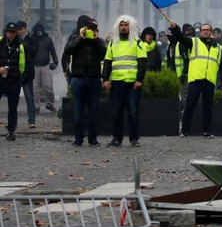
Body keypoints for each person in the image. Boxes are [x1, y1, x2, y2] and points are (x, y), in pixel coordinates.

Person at [102, 15, 147, 147]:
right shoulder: (112, 43)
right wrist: (105, 79)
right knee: (116, 112)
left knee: (133, 112)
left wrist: (140, 79)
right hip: (116, 82)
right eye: (121, 25)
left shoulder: (137, 43)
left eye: (126, 25)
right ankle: (117, 138)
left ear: (130, 27)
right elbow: (108, 62)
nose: (123, 27)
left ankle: (134, 138)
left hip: (132, 83)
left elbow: (142, 63)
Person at [173, 22, 222, 138]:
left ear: (211, 32)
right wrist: (175, 29)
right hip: (196, 79)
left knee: (208, 107)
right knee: (190, 105)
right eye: (203, 30)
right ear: (200, 32)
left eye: (207, 30)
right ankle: (184, 130)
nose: (205, 31)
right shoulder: (194, 42)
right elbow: (181, 38)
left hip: (209, 80)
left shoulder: (218, 47)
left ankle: (207, 131)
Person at [64, 18, 107, 146]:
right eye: (89, 28)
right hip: (78, 79)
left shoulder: (98, 42)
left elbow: (104, 54)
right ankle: (78, 138)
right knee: (78, 110)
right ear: (84, 28)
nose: (90, 31)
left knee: (93, 110)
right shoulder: (76, 39)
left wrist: (96, 40)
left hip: (94, 79)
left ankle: (93, 138)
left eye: (93, 29)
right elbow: (68, 50)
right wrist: (80, 38)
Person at [0, 23, 27, 141]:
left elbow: (25, 63)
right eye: (9, 32)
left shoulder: (20, 45)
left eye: (13, 32)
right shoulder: (1, 43)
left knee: (13, 107)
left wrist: (22, 78)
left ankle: (11, 131)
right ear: (6, 32)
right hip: (0, 78)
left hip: (14, 80)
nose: (11, 34)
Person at [31, 22, 58, 113]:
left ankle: (49, 104)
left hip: (45, 65)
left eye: (41, 30)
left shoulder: (48, 39)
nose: (39, 31)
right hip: (34, 66)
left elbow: (53, 51)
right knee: (35, 88)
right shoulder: (31, 39)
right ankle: (36, 106)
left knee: (48, 86)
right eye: (38, 30)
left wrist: (55, 61)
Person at [16, 21, 38, 128]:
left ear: (24, 28)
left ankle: (32, 120)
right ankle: (13, 121)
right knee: (13, 99)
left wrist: (22, 46)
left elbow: (33, 53)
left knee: (29, 98)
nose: (18, 31)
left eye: (19, 29)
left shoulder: (32, 40)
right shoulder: (15, 40)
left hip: (28, 73)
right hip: (15, 73)